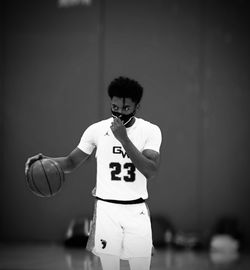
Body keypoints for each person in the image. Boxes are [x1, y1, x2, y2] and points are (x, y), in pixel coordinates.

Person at [25, 76, 162, 270]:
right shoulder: (96, 130)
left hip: (136, 211)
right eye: (115, 107)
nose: (120, 112)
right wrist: (43, 161)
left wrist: (124, 140)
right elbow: (71, 162)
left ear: (137, 107)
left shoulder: (150, 130)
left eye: (126, 108)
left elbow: (150, 170)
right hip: (107, 211)